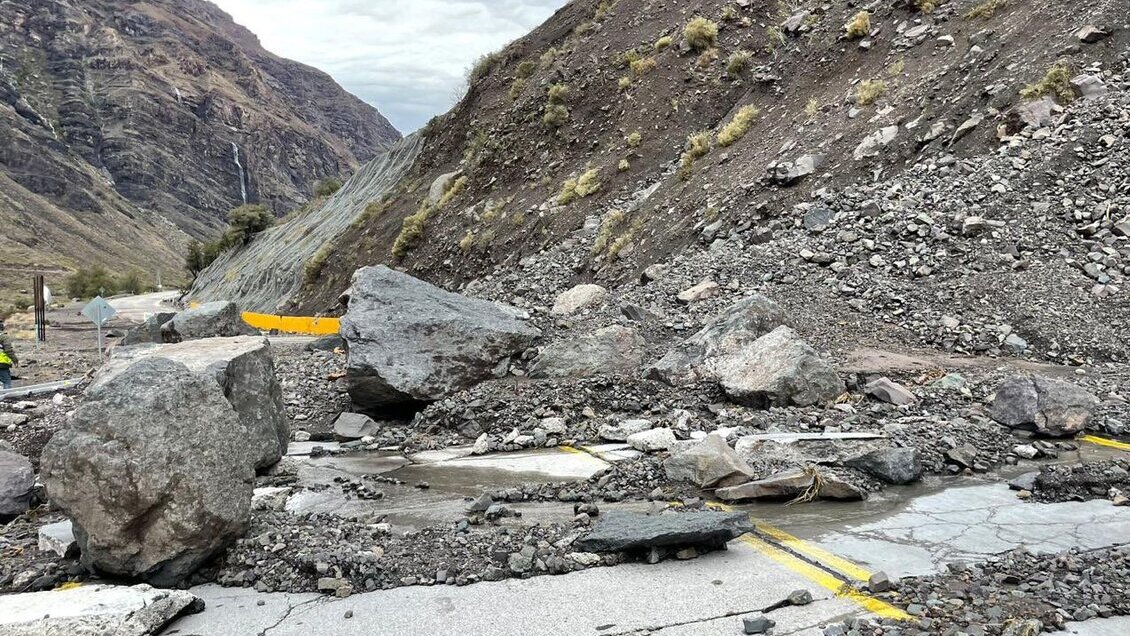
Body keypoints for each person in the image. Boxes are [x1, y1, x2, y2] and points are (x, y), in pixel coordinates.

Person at [0, 321, 17, 390]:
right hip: (1, 363)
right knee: (6, 381)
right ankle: (7, 399)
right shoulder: (3, 337)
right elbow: (8, 351)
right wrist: (15, 360)